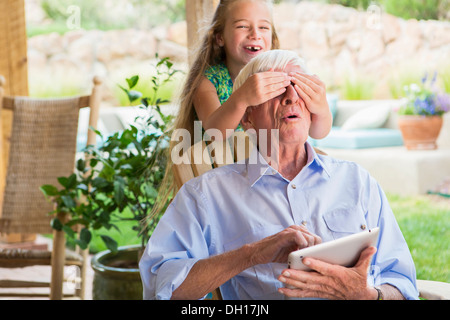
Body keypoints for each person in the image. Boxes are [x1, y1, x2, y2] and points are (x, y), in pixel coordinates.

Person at [139, 50, 419, 300]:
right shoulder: (207, 196)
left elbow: (402, 282)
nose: (291, 97)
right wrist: (251, 254)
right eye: (276, 90)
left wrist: (369, 296)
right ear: (247, 117)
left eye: (299, 87)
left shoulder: (357, 182)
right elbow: (161, 287)